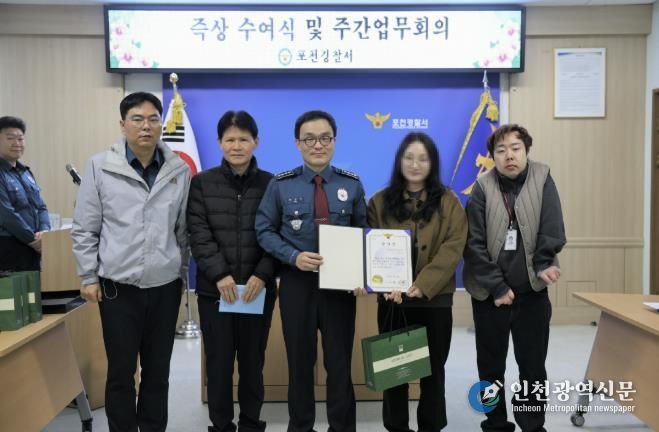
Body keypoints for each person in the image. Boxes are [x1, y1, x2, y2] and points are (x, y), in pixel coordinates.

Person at [71, 92, 191, 432]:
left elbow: (183, 231)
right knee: (121, 371)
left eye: (153, 119)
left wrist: (180, 274)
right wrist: (88, 276)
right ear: (122, 125)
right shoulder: (100, 166)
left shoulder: (178, 169)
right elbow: (85, 227)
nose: (146, 126)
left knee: (158, 371)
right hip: (118, 287)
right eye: (137, 119)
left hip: (165, 285)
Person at [255, 110, 367, 432]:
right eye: (309, 139)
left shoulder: (351, 184)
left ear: (334, 141)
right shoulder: (280, 185)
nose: (318, 145)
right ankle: (301, 426)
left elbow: (364, 232)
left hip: (340, 287)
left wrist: (361, 274)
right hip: (297, 284)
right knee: (300, 364)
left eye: (325, 138)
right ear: (298, 143)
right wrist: (292, 256)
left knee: (339, 364)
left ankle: (342, 427)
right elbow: (264, 229)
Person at [463, 124, 566, 432]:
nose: (509, 155)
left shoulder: (542, 177)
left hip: (532, 292)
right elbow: (473, 244)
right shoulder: (482, 187)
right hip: (489, 295)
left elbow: (552, 226)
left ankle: (532, 425)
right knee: (490, 367)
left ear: (526, 150)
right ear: (493, 156)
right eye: (501, 150)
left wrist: (544, 262)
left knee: (532, 367)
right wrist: (496, 287)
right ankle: (495, 423)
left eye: (515, 148)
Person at [367, 132, 467, 432]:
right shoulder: (379, 202)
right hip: (393, 301)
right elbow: (370, 247)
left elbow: (454, 246)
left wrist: (423, 284)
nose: (415, 164)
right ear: (399, 161)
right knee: (394, 373)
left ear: (432, 163)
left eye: (422, 158)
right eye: (409, 157)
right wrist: (386, 285)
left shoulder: (449, 202)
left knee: (433, 373)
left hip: (434, 301)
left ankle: (430, 426)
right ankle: (396, 427)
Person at [187, 110, 278, 432]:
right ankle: (221, 425)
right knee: (219, 364)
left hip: (257, 291)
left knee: (253, 363)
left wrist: (262, 275)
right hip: (215, 292)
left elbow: (277, 235)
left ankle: (251, 423)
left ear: (256, 142)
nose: (236, 146)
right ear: (219, 142)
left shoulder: (272, 184)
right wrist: (219, 274)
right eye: (230, 139)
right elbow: (198, 232)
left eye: (243, 139)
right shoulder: (202, 183)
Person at [0, 116, 50, 271]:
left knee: (35, 285)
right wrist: (33, 239)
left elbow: (41, 207)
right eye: (10, 138)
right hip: (8, 247)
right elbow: (6, 214)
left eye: (20, 138)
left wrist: (45, 232)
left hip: (33, 247)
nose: (17, 143)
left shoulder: (26, 173)